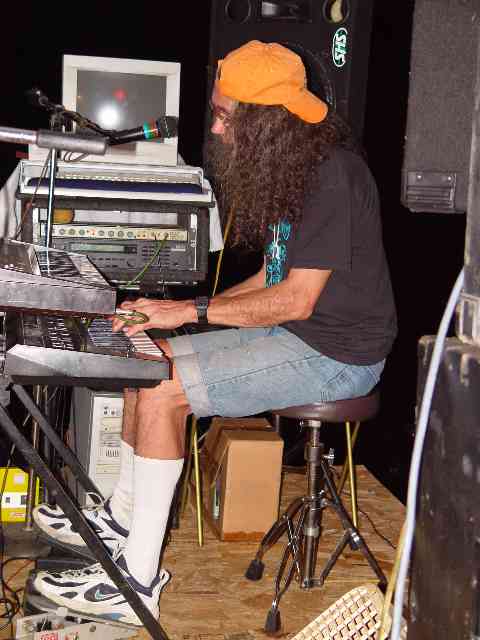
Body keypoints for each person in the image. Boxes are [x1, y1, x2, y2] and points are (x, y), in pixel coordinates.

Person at [31, 40, 397, 625]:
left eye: (227, 116)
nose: (218, 130)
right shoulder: (296, 168)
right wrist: (177, 312)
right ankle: (123, 525)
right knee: (145, 358)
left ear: (266, 121)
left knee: (161, 388)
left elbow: (295, 299)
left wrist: (190, 312)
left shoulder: (333, 177)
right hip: (299, 332)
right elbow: (272, 278)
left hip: (338, 354)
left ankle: (137, 584)